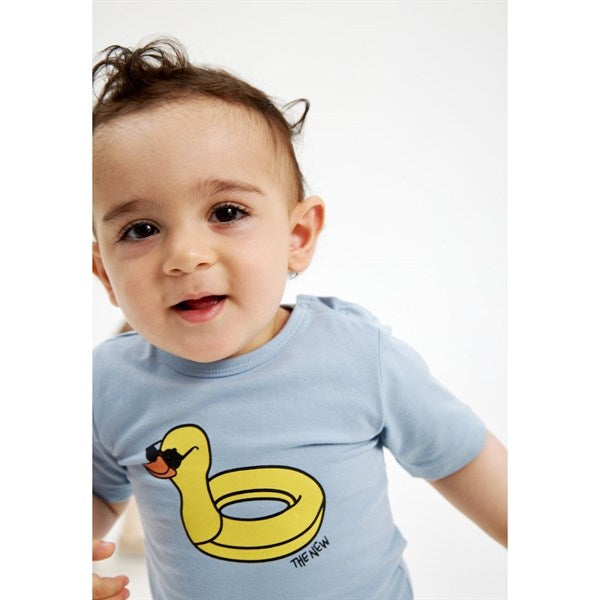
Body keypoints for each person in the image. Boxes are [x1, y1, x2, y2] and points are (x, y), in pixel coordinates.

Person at [92, 37, 507, 600]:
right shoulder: (112, 384)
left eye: (226, 212)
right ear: (104, 272)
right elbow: (95, 495)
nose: (185, 256)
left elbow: (468, 463)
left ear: (297, 236)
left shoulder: (356, 355)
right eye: (141, 229)